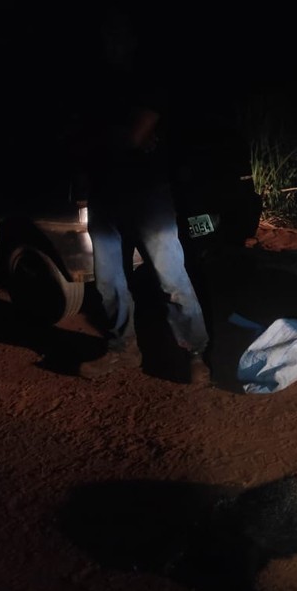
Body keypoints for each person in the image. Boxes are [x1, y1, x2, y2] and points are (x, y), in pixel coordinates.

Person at [75, 71, 211, 384]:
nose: (114, 40)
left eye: (121, 33)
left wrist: (99, 137)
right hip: (104, 195)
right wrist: (117, 136)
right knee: (108, 283)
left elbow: (132, 136)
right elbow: (90, 137)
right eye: (108, 34)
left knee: (171, 280)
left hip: (148, 195)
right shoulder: (91, 86)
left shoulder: (147, 80)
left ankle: (195, 354)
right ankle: (122, 348)